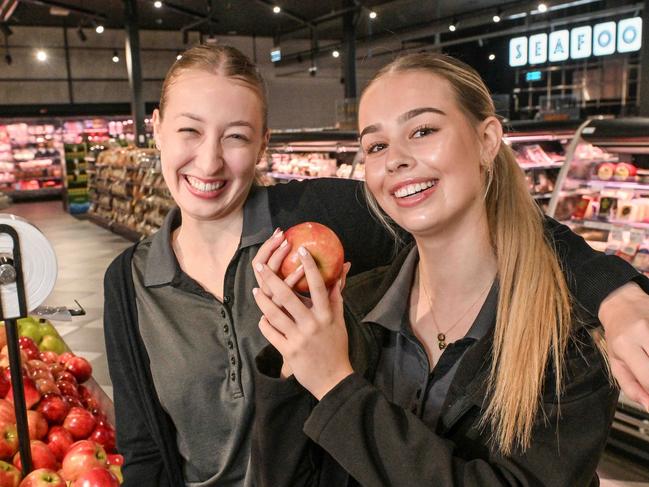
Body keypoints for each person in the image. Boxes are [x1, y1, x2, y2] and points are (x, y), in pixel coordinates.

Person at [102, 44, 649, 487]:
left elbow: (506, 227)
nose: (210, 160)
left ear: (264, 144)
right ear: (156, 128)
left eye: (237, 136)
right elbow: (146, 449)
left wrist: (612, 292)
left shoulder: (320, 220)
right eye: (189, 130)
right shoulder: (129, 280)